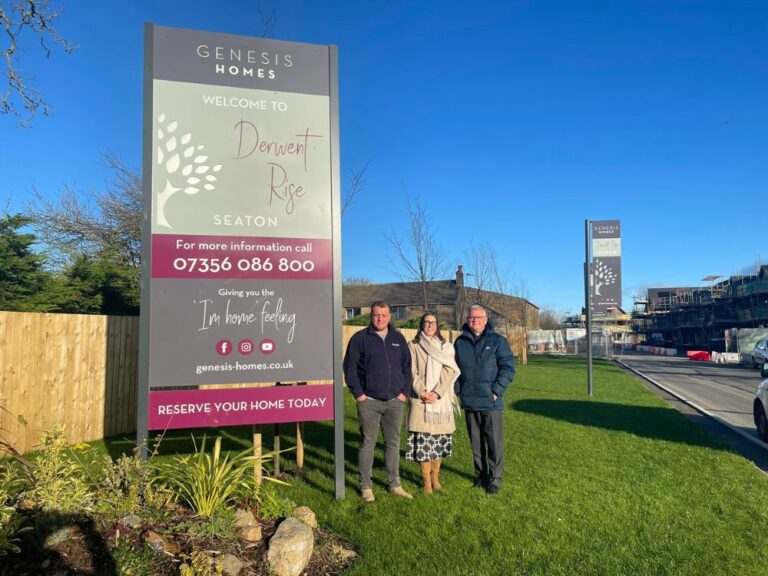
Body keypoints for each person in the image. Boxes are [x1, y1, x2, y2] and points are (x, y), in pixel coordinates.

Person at [343, 301, 414, 502]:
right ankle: (366, 486)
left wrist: (404, 393)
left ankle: (395, 484)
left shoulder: (398, 339)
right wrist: (359, 395)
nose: (380, 319)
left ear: (389, 316)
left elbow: (407, 368)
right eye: (376, 315)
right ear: (371, 316)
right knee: (368, 443)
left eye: (383, 315)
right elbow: (350, 369)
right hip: (369, 401)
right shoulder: (360, 339)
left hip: (395, 401)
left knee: (393, 443)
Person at [454, 304, 515, 495]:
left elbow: (508, 368)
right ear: (467, 320)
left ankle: (495, 479)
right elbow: (453, 370)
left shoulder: (498, 341)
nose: (474, 321)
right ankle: (481, 476)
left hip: (491, 402)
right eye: (471, 318)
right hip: (469, 401)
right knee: (476, 442)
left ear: (486, 319)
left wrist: (496, 390)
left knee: (494, 442)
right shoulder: (460, 342)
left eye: (478, 318)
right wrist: (458, 390)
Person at [406, 312, 461, 495]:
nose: (430, 325)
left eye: (433, 322)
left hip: (441, 401)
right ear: (421, 324)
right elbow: (410, 371)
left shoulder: (446, 347)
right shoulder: (413, 346)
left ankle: (436, 477)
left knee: (438, 443)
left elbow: (449, 371)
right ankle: (426, 481)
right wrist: (422, 391)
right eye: (426, 322)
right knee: (424, 444)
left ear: (438, 325)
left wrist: (437, 393)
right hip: (420, 400)